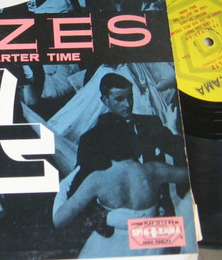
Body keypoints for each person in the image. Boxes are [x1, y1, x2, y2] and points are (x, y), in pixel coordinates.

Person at [69, 72, 186, 200]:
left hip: (160, 204)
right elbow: (79, 185)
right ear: (105, 100)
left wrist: (174, 131)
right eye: (119, 99)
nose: (127, 104)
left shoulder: (151, 123)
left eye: (130, 97)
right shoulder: (91, 139)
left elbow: (180, 151)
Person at [53, 159, 189, 258]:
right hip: (151, 248)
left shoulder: (98, 179)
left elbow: (59, 220)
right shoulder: (154, 170)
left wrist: (62, 188)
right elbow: (191, 175)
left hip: (110, 249)